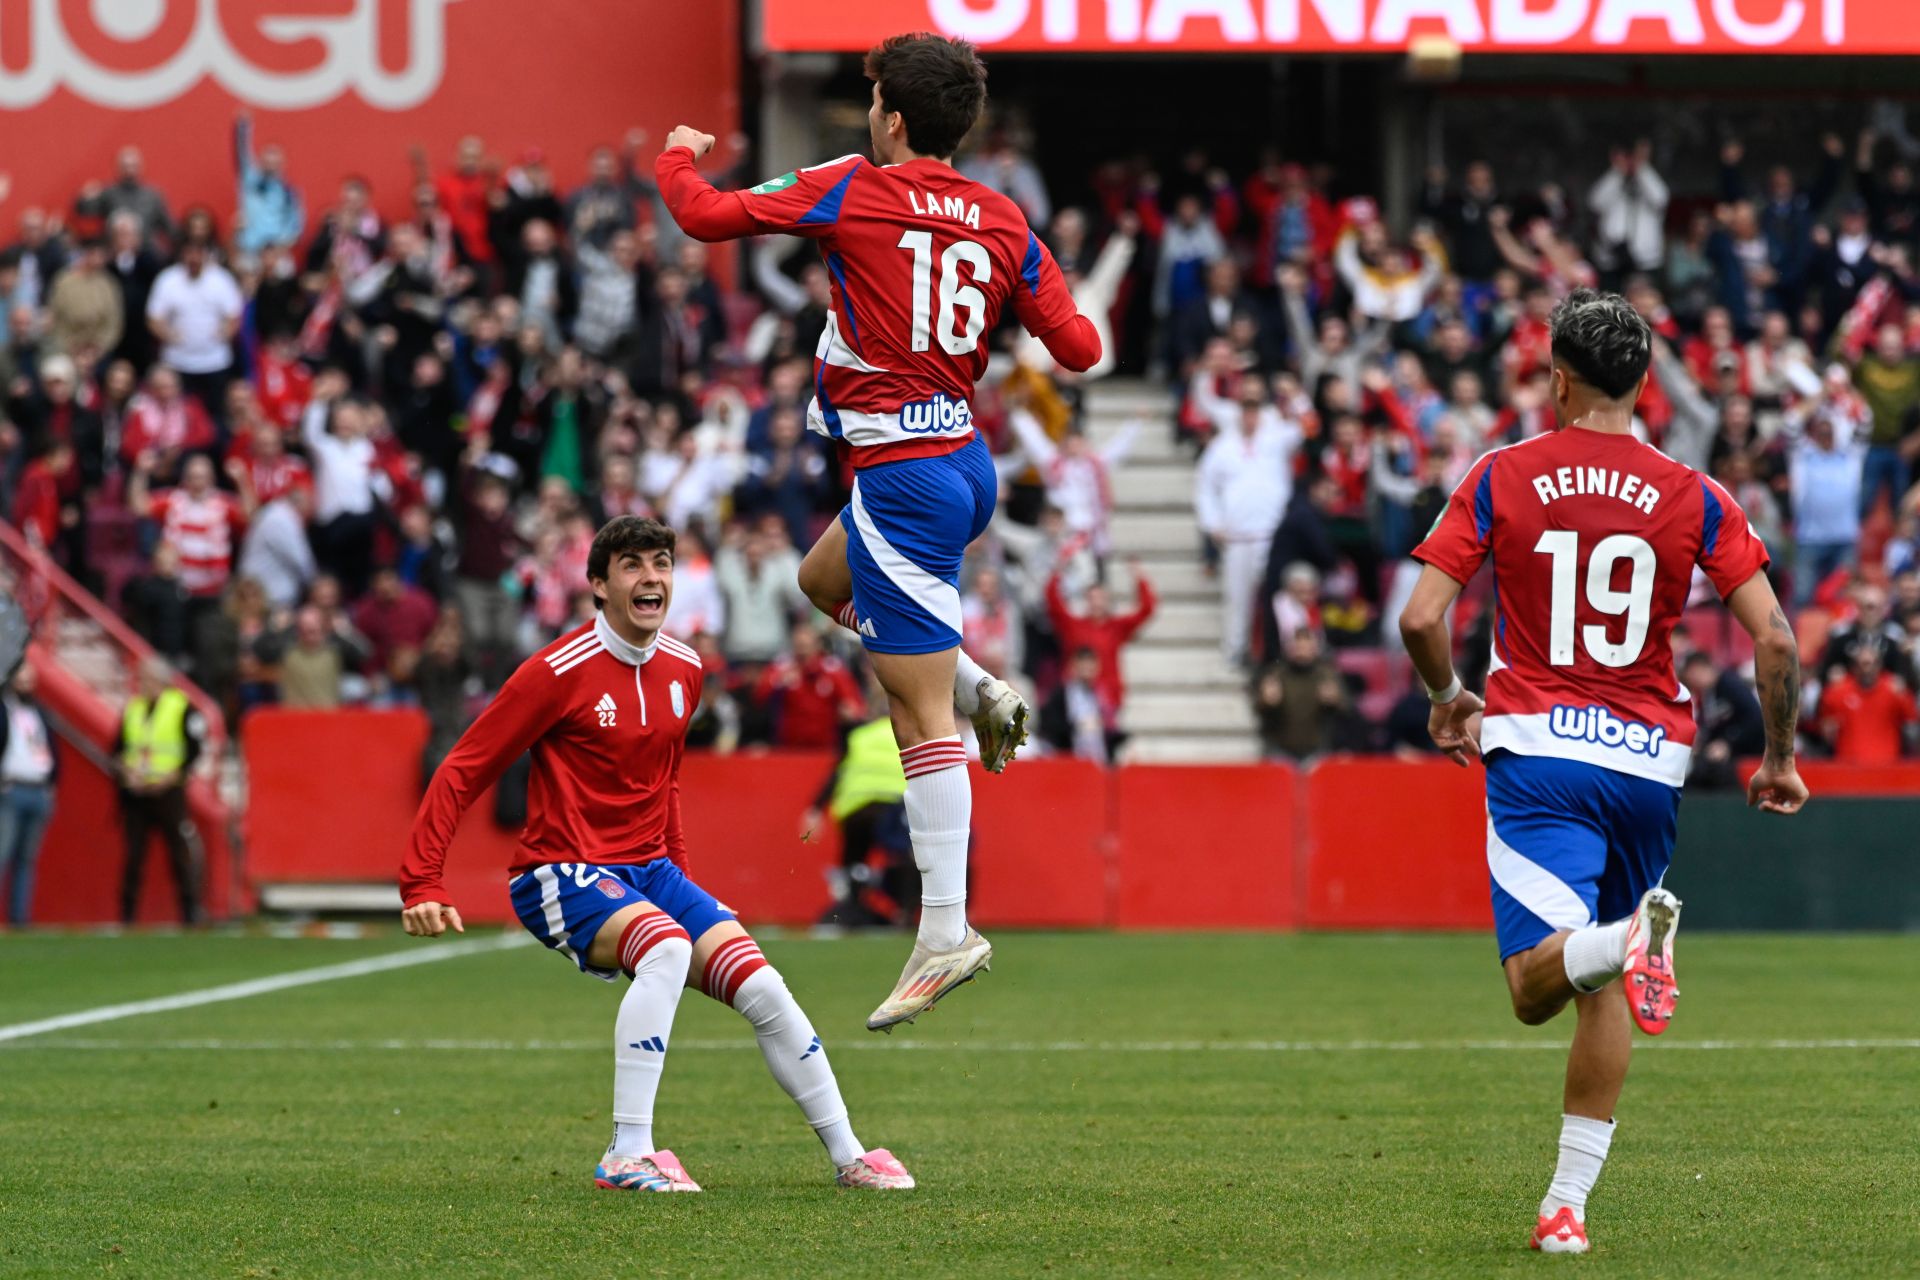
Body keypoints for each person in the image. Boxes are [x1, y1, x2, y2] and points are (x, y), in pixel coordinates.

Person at [655, 31, 1101, 1029]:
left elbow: (706, 213)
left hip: (900, 476)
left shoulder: (854, 186)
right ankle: (982, 688)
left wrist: (675, 153)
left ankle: (946, 926)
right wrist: (1024, 282)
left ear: (892, 117)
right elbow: (1080, 346)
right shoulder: (1001, 215)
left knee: (913, 717)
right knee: (823, 581)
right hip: (961, 463)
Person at [1397, 289, 1807, 1255]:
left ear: (1558, 379)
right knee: (1599, 993)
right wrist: (1778, 756)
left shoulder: (1505, 472)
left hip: (1541, 756)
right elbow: (1778, 641)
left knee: (1535, 989)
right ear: (1647, 383)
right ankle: (1566, 1208)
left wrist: (1449, 694)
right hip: (1647, 767)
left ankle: (1626, 935)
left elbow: (1420, 617)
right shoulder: (1696, 492)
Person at [398, 516, 912, 1193]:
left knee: (763, 986)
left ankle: (851, 1157)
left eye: (662, 563)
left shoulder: (686, 669)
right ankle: (627, 1154)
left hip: (651, 873)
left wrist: (686, 886)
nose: (651, 578)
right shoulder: (556, 671)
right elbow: (465, 765)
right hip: (560, 870)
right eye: (634, 565)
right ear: (599, 586)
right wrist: (421, 882)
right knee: (667, 950)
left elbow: (663, 785)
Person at [116, 657, 208, 925]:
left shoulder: (181, 708)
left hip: (169, 792)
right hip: (136, 793)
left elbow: (194, 750)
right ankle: (128, 915)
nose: (144, 684)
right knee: (133, 857)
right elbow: (119, 748)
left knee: (179, 854)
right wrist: (127, 772)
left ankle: (189, 912)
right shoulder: (133, 709)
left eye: (148, 678)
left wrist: (171, 777)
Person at [0, 662, 59, 926]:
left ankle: (19, 917)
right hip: (11, 788)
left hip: (38, 791)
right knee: (2, 853)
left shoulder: (41, 713)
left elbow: (53, 751)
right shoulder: (4, 710)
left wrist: (52, 784)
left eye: (29, 680)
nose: (25, 684)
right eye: (20, 679)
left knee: (26, 858)